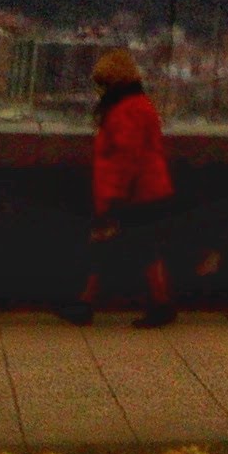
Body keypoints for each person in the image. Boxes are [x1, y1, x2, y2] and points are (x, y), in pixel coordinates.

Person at [63, 48, 178, 328]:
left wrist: (113, 201)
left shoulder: (126, 110)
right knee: (139, 249)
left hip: (134, 195)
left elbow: (124, 159)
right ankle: (156, 304)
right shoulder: (139, 105)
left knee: (116, 247)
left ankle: (88, 305)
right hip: (145, 191)